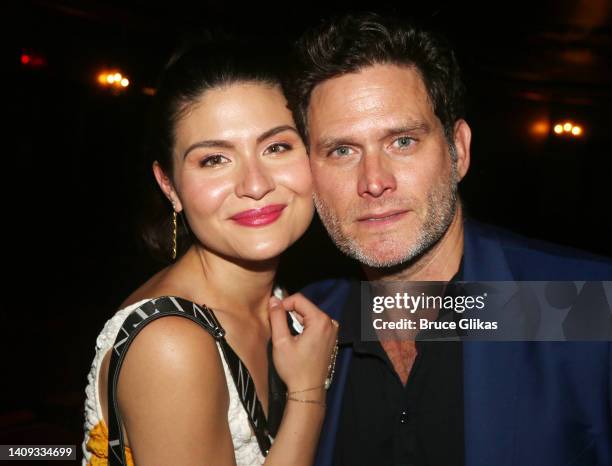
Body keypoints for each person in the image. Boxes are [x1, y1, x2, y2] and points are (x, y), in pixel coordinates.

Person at [282, 13, 612, 466]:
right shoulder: (303, 326)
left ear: (458, 150)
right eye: (342, 150)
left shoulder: (585, 305)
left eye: (402, 142)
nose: (374, 182)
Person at [82, 37, 339, 466]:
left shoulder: (280, 304)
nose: (255, 184)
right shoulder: (170, 343)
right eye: (214, 160)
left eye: (276, 147)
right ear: (169, 186)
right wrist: (308, 394)